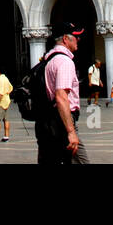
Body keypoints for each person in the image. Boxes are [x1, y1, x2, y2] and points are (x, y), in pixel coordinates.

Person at [37, 21, 87, 164]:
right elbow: (61, 97)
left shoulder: (49, 59)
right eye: (76, 37)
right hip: (62, 122)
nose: (79, 40)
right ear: (66, 39)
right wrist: (71, 132)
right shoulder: (65, 61)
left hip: (47, 121)